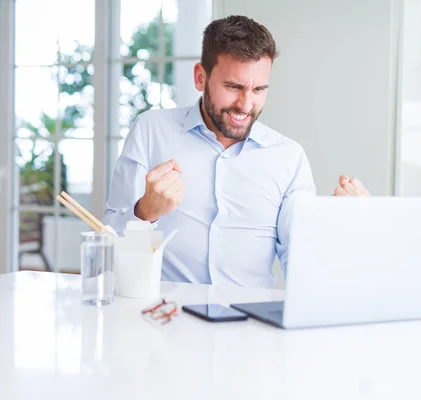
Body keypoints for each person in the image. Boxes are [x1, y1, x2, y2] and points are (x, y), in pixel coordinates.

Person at [104, 15, 369, 289]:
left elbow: (303, 266)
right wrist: (145, 213)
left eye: (259, 89)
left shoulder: (288, 157)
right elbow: (107, 244)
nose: (246, 104)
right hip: (164, 319)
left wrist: (343, 228)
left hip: (252, 325)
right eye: (234, 87)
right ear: (200, 77)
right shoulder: (151, 131)